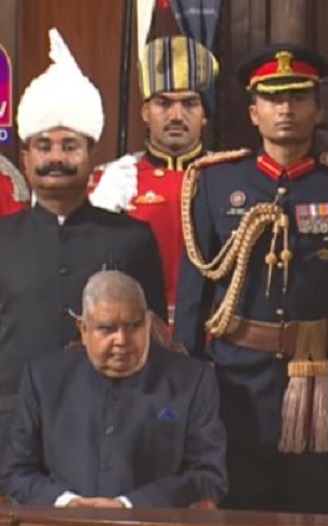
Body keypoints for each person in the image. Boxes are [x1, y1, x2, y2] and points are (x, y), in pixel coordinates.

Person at [175, 44, 328, 514]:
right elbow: (197, 291)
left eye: (298, 97)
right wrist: (188, 383)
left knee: (316, 509)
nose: (286, 109)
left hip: (318, 377)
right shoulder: (215, 181)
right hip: (236, 378)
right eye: (273, 99)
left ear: (318, 109)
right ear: (253, 112)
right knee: (241, 508)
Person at [0, 29, 167, 454]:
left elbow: (152, 341)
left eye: (69, 146)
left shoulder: (132, 238)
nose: (56, 157)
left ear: (92, 153)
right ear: (25, 158)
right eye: (44, 146)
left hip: (111, 429)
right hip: (10, 430)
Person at [0, 271, 227, 508]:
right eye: (107, 329)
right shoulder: (43, 380)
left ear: (148, 322)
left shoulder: (193, 380)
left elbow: (209, 476)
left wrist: (127, 505)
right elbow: (15, 473)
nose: (122, 340)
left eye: (134, 325)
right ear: (84, 330)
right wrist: (69, 503)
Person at [89, 36, 219, 322]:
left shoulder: (229, 178)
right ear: (145, 112)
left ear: (205, 114)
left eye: (190, 103)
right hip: (134, 333)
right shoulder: (110, 181)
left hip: (212, 332)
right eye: (163, 103)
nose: (176, 115)